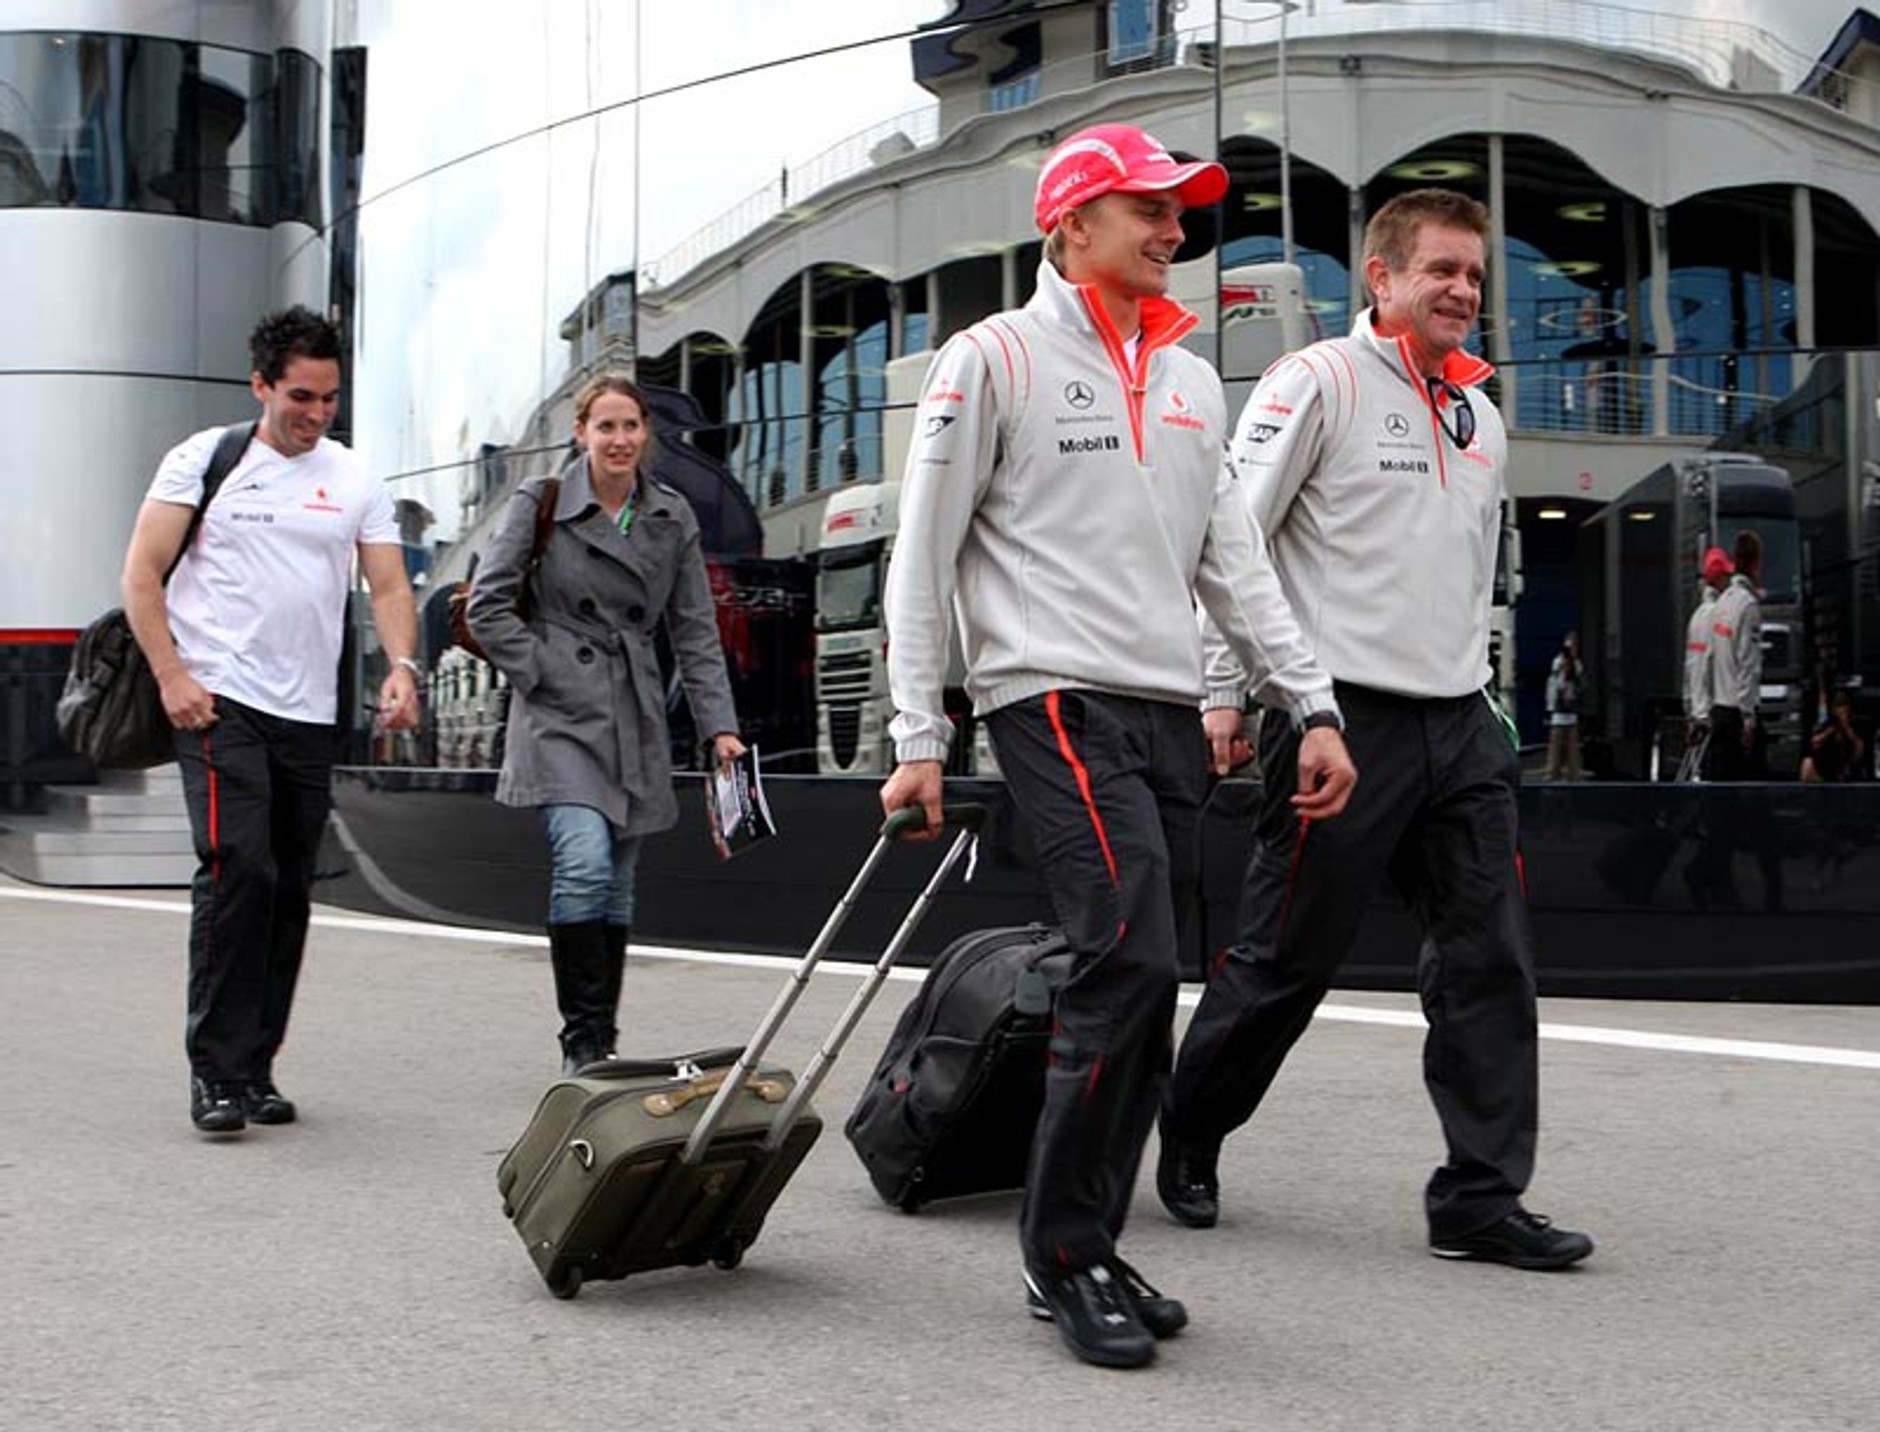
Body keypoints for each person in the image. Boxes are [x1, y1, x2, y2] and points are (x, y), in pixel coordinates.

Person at [879, 123, 1354, 1370]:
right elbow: (919, 556)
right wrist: (915, 731)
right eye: (1148, 209)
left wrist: (1308, 705)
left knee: (1144, 980)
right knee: (1130, 959)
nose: (1173, 232)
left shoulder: (1197, 381)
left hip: (1157, 715)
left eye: (1179, 212)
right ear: (1070, 226)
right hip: (1047, 698)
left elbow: (1232, 563)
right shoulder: (987, 361)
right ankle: (1063, 1251)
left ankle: (1087, 1229)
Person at [1160, 189, 1594, 1272]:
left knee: (1488, 958)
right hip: (1335, 719)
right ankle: (1189, 1125)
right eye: (1439, 270)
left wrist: (1483, 703)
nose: (1460, 291)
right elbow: (1231, 541)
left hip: (1460, 725)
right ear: (1381, 278)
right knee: (1285, 958)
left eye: (1473, 276)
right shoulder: (1314, 383)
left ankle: (1478, 1198)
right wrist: (1224, 691)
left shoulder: (1480, 414)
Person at [121, 305, 422, 1136]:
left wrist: (402, 664)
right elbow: (141, 576)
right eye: (300, 396)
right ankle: (214, 1074)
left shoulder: (354, 477)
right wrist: (173, 676)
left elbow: (390, 586)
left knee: (289, 887)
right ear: (260, 385)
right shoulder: (205, 460)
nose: (315, 414)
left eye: (328, 399)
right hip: (217, 701)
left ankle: (254, 1068)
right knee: (238, 867)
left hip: (307, 715)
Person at [467, 374, 744, 1075]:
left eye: (631, 427)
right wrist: (547, 671)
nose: (619, 440)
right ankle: (583, 1041)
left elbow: (694, 628)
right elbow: (487, 609)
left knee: (617, 879)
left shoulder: (670, 514)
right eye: (605, 427)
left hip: (633, 707)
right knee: (584, 863)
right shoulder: (544, 500)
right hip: (559, 711)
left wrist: (720, 727)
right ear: (580, 433)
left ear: (645, 433)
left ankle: (604, 1039)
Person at [1704, 529, 1764, 782]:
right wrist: (1748, 718)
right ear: (1756, 562)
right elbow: (1748, 665)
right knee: (1750, 786)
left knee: (1720, 789)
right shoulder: (1748, 605)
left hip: (1718, 707)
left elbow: (1709, 658)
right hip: (1737, 713)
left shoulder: (1722, 604)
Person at [1682, 546, 1734, 765]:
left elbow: (1691, 667)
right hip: (1714, 713)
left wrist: (1693, 710)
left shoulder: (1697, 616)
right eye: (1727, 576)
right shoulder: (1716, 615)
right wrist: (1706, 714)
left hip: (1700, 710)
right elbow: (1708, 666)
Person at [1542, 630, 1583, 781]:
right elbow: (1554, 686)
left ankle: (1573, 777)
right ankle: (1552, 776)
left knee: (1573, 750)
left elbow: (1580, 686)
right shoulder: (1558, 663)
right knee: (1555, 749)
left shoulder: (1577, 665)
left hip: (1571, 714)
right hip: (1559, 715)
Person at [1802, 689, 1867, 784]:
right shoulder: (1829, 724)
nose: (1843, 714)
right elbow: (1814, 742)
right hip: (1826, 764)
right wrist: (1828, 732)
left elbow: (1859, 748)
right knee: (1808, 762)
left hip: (1844, 767)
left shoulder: (1853, 726)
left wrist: (1847, 728)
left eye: (1845, 711)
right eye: (1840, 711)